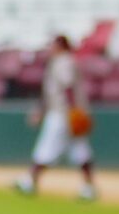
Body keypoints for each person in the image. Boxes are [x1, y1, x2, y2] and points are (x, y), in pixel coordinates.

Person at [14, 35, 98, 201]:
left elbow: (67, 88)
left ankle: (30, 182)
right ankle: (88, 188)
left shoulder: (64, 61)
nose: (49, 49)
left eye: (52, 45)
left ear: (60, 46)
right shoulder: (60, 61)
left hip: (63, 113)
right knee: (80, 151)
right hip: (66, 112)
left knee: (47, 148)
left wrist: (73, 112)